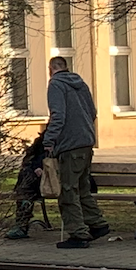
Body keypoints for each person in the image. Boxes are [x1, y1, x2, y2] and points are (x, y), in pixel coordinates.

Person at [43, 56, 108, 248]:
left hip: (69, 146)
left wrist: (49, 140)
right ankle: (97, 224)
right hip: (86, 142)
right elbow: (93, 112)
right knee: (82, 187)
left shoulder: (55, 85)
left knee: (68, 190)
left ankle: (78, 234)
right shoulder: (81, 83)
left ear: (51, 69)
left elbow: (58, 115)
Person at [4, 132, 46, 239]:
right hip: (37, 182)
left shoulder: (67, 143)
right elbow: (28, 161)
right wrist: (35, 167)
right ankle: (21, 224)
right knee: (26, 178)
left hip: (60, 180)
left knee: (26, 184)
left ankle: (21, 225)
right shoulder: (40, 143)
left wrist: (44, 168)